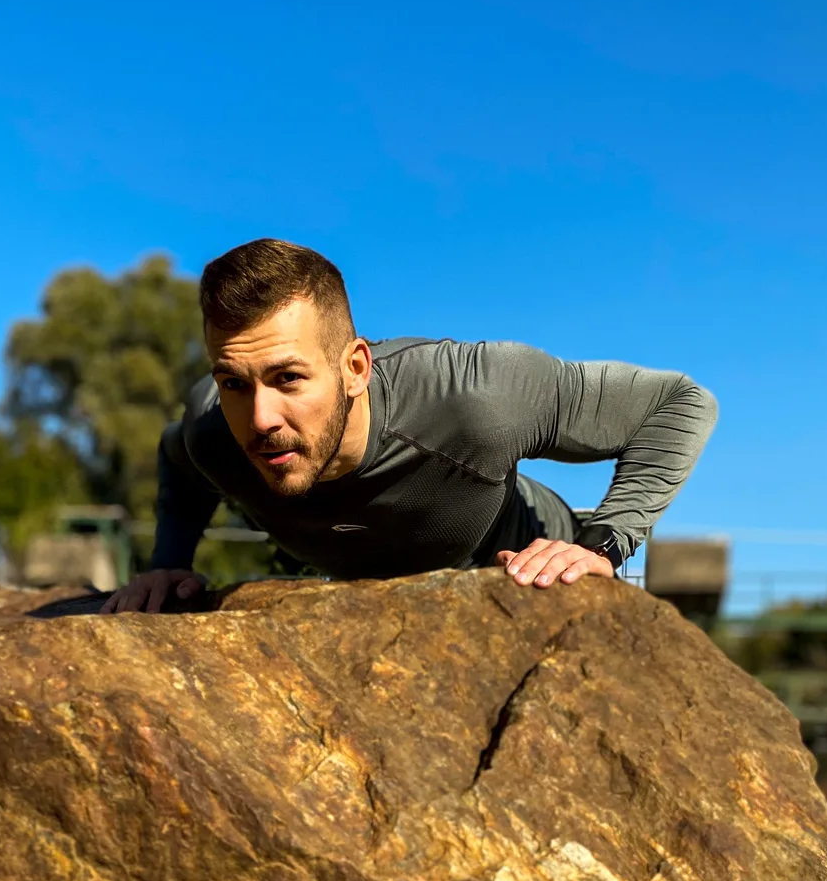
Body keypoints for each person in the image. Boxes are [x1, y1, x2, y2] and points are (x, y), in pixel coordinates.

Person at [101, 239, 716, 614]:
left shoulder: (477, 395)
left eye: (289, 378)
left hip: (520, 571)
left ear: (355, 368)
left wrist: (602, 546)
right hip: (357, 591)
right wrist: (167, 562)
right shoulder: (215, 432)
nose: (260, 419)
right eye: (235, 383)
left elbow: (679, 403)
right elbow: (178, 459)